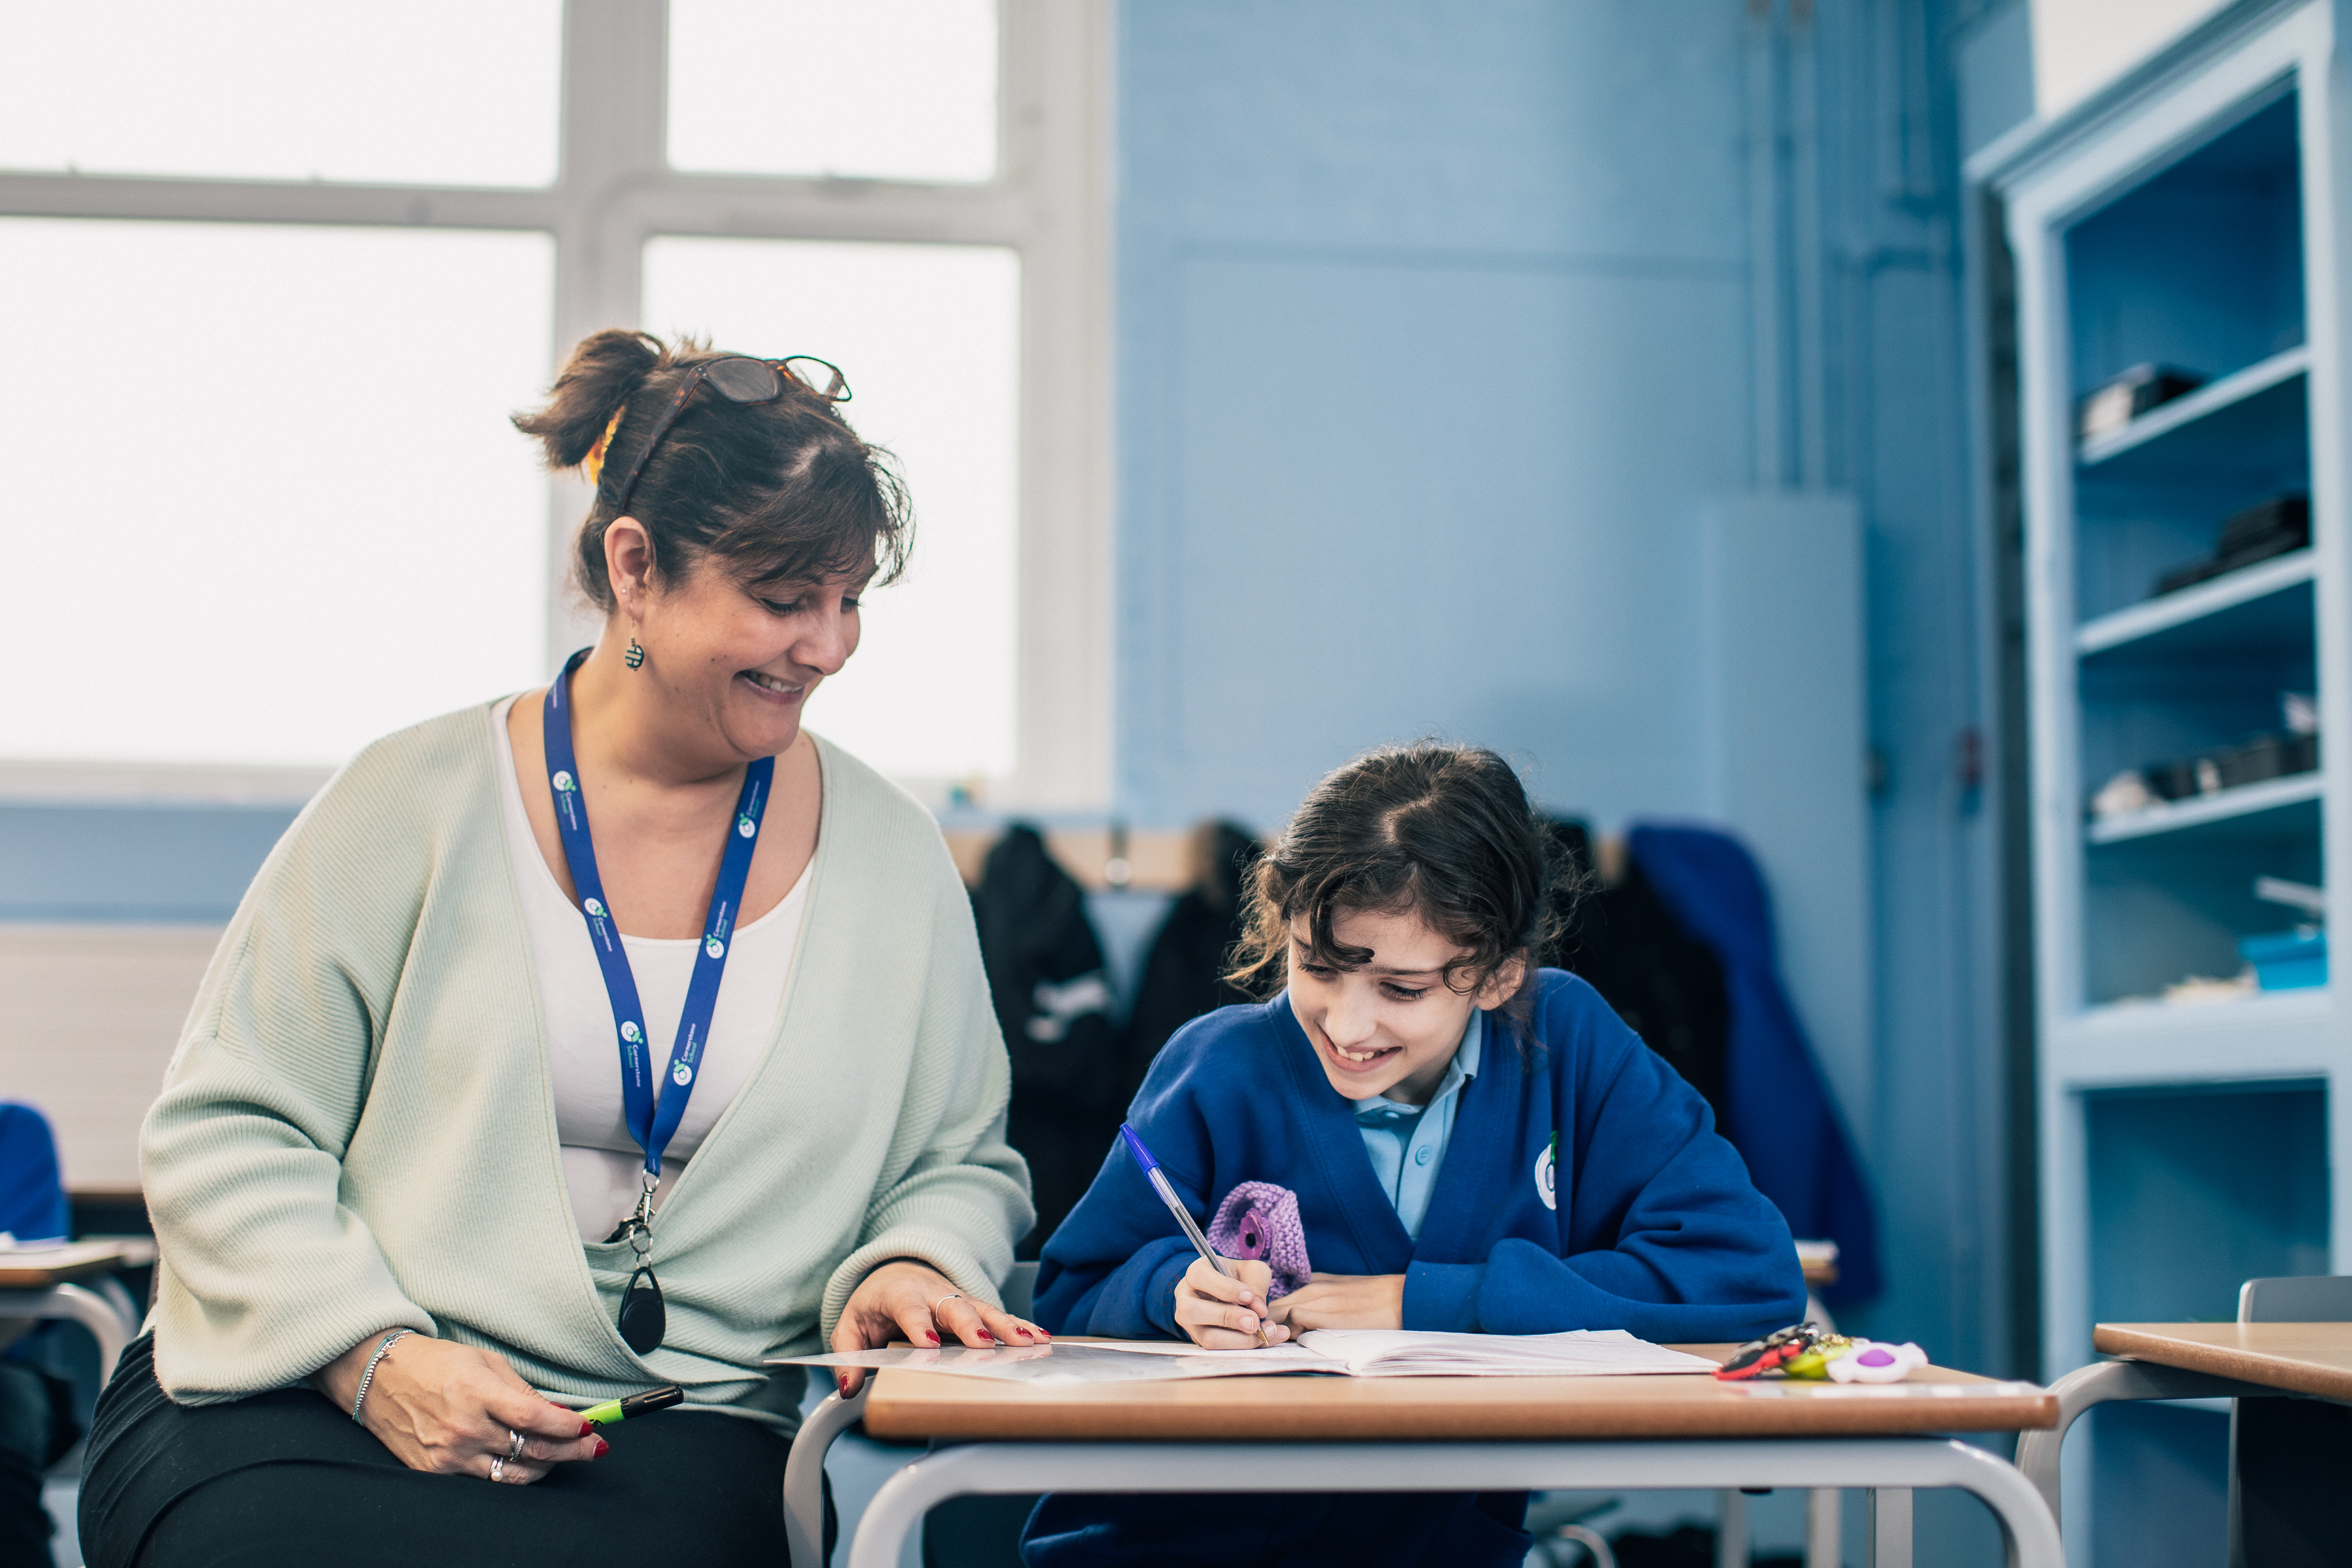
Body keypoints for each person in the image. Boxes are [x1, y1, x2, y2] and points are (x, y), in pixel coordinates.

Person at [78, 331, 1041, 1568]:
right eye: (784, 597)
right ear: (636, 567)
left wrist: (913, 1260)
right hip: (305, 1393)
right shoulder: (408, 800)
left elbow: (956, 1159)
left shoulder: (895, 859)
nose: (830, 645)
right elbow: (227, 1130)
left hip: (662, 1428)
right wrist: (374, 1359)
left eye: (850, 600)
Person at [1024, 743, 1807, 1568]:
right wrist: (1166, 1293)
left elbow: (1749, 1276)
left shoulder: (1566, 1044)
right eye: (1315, 966)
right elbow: (1068, 1297)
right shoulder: (1219, 1068)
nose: (1348, 1026)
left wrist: (1426, 1302)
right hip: (1166, 1550)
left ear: (1500, 974)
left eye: (1403, 990)